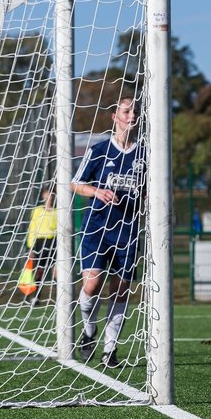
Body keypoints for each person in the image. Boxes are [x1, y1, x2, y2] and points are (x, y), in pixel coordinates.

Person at [72, 96, 146, 368]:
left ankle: (110, 350)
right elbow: (75, 183)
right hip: (96, 227)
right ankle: (89, 332)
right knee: (92, 285)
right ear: (114, 116)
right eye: (126, 111)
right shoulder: (100, 150)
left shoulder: (146, 154)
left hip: (127, 231)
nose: (131, 116)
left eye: (135, 112)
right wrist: (97, 191)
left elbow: (151, 191)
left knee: (121, 291)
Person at [24, 186, 58, 306]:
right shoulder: (37, 211)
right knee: (39, 271)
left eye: (52, 194)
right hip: (40, 243)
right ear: (43, 195)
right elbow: (32, 229)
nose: (50, 196)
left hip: (54, 242)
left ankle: (59, 297)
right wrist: (30, 248)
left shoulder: (58, 212)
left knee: (57, 271)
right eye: (48, 194)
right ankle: (36, 297)